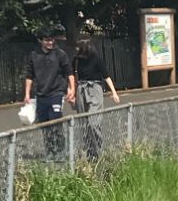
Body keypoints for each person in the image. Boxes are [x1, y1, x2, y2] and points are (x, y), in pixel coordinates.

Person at [23, 28, 74, 159]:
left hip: (56, 93)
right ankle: (50, 151)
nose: (50, 42)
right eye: (47, 40)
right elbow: (29, 75)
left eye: (52, 40)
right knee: (44, 125)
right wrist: (27, 94)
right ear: (40, 40)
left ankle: (61, 150)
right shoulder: (34, 55)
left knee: (56, 120)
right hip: (40, 95)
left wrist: (72, 89)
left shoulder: (60, 54)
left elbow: (69, 72)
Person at [72, 28, 120, 160]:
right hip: (81, 89)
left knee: (93, 121)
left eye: (78, 47)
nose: (76, 49)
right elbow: (72, 76)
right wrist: (72, 93)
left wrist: (114, 93)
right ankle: (90, 152)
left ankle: (98, 148)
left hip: (95, 89)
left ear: (84, 47)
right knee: (84, 122)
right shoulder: (76, 60)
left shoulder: (96, 58)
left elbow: (106, 76)